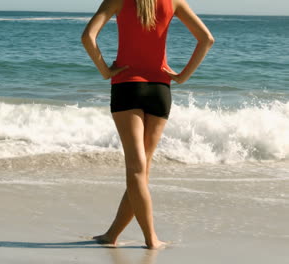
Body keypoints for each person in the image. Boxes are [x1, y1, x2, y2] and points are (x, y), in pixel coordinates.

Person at [81, 0, 214, 249]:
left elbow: (88, 36)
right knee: (142, 170)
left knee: (136, 170)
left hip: (127, 86)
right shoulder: (174, 1)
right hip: (160, 89)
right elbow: (206, 39)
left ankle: (151, 239)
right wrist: (182, 76)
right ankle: (112, 235)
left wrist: (105, 71)